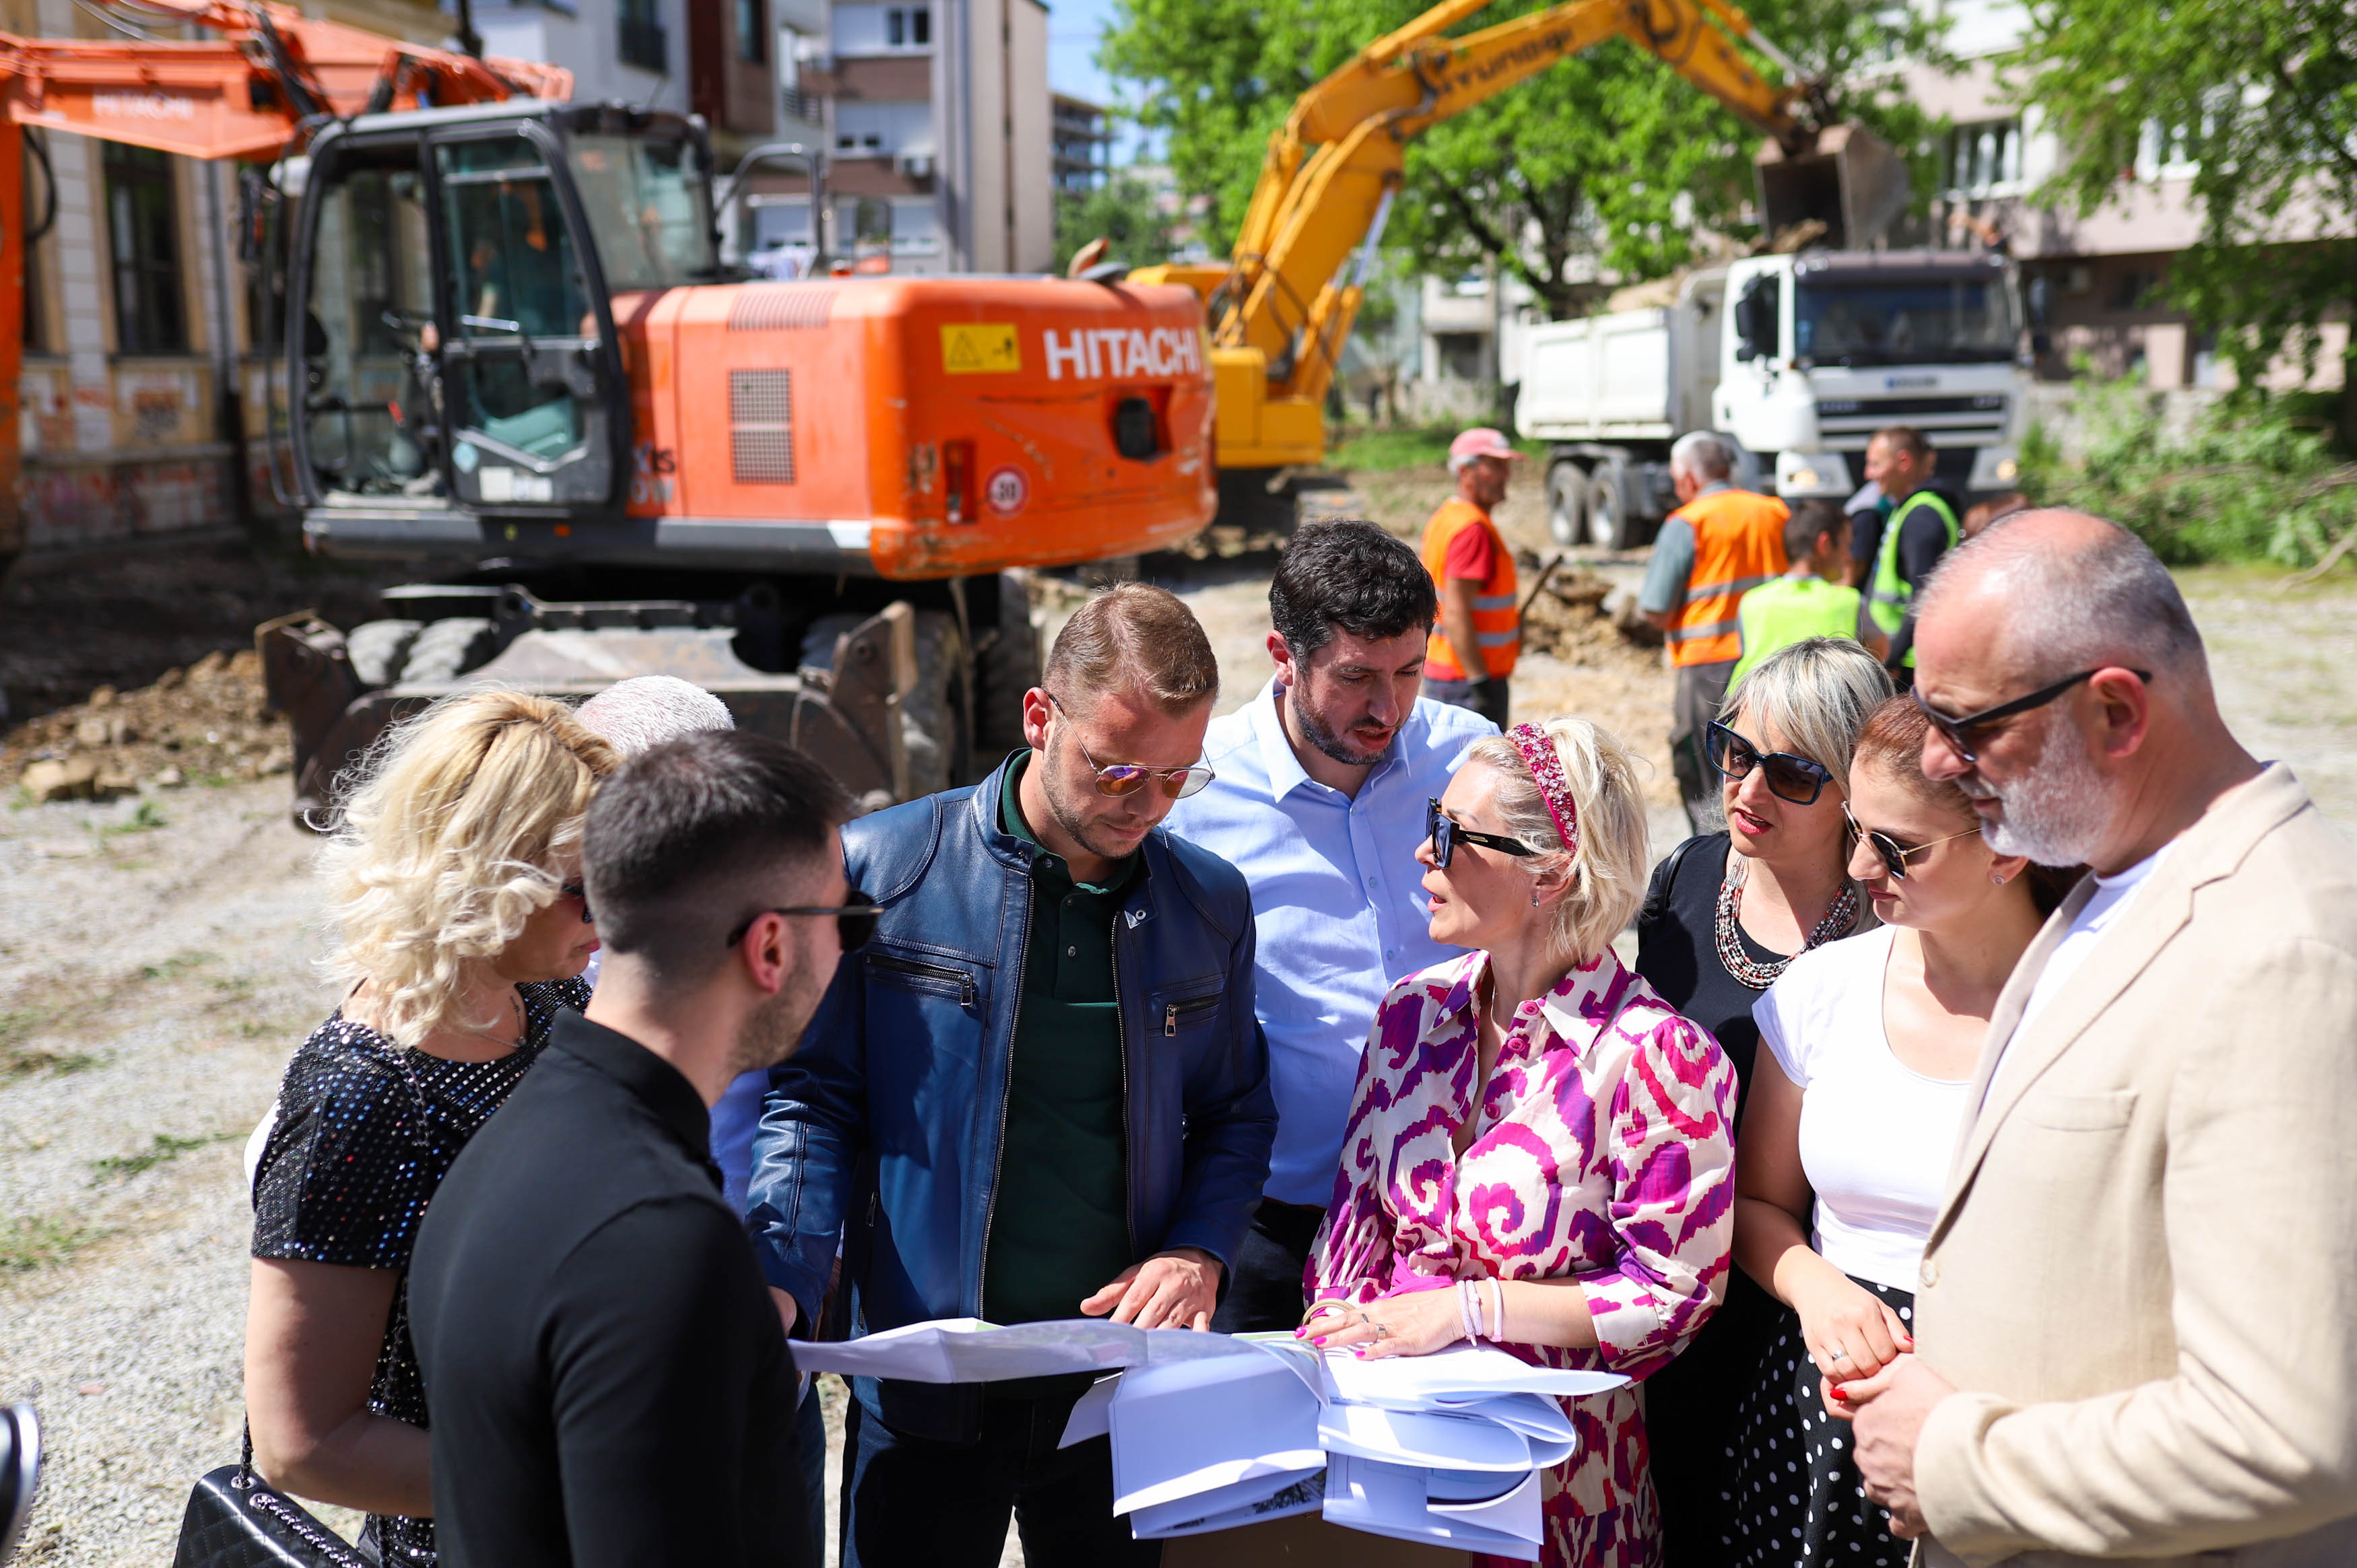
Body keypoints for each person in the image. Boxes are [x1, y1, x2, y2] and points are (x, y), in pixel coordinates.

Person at [1836, 510, 2357, 1565]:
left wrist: (1951, 1460)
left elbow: (2287, 1434)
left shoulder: (2280, 953)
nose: (1939, 758)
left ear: (2116, 711)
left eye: (1970, 726)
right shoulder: (2111, 884)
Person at [748, 583, 1277, 1568]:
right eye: (1117, 767)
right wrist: (784, 1275)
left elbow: (1237, 1109)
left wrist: (1199, 1250)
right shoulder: (878, 873)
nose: (1146, 805)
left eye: (1177, 778)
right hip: (923, 1388)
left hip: (1115, 1399)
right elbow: (813, 1100)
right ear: (1040, 716)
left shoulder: (1208, 903)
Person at [411, 731, 856, 1568]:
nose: (848, 952)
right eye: (848, 920)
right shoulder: (659, 1238)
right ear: (769, 948)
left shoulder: (521, 1134)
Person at [1302, 717, 1737, 1567]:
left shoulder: (1654, 1057)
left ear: (1551, 871)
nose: (1422, 855)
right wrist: (1339, 1333)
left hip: (1557, 1496)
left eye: (1448, 834)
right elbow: (1348, 1235)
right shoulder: (1408, 1016)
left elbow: (1675, 1295)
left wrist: (1470, 1310)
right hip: (1389, 1472)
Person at [244, 690, 618, 1568]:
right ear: (484, 874)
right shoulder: (361, 1097)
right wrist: (582, 1471)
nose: (610, 911)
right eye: (583, 885)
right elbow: (301, 1439)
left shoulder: (552, 1003)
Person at [1728, 695, 2071, 1567]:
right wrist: (1818, 1288)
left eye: (1898, 847)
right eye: (1856, 830)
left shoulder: (2085, 1003)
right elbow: (1758, 1202)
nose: (1858, 864)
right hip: (1826, 1405)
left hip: (2007, 1419)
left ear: (2009, 846)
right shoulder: (1823, 989)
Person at [1162, 520, 1496, 1332]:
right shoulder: (1195, 794)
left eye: (1410, 672)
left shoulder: (1473, 762)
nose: (1388, 708)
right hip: (1267, 1222)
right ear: (1283, 655)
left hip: (1453, 1222)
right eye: (1355, 678)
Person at [1632, 636, 1892, 1567]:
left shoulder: (1890, 928)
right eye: (1734, 753)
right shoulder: (1686, 876)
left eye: (1791, 773)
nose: (1747, 790)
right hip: (1663, 1293)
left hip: (1799, 1311)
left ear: (1857, 790)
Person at [572, 675, 829, 1568]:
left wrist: (780, 1280)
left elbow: (815, 1108)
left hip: (757, 1330)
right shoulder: (541, 953)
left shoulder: (782, 937)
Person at [1638, 430, 1791, 832]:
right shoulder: (1773, 511)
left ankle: (1716, 847)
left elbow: (1655, 607)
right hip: (1774, 653)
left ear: (1689, 478)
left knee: (1708, 762)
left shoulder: (1687, 522)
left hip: (1707, 664)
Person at [1419, 427, 1521, 728]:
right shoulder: (1472, 530)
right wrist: (1481, 683)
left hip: (1448, 673)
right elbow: (1457, 612)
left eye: (1507, 466)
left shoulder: (1447, 518)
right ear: (1466, 470)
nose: (1506, 475)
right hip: (1466, 680)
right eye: (1496, 466)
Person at [1729, 500, 1882, 687]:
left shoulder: (1750, 602)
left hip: (1754, 710)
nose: (1849, 557)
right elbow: (1881, 655)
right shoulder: (1850, 602)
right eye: (1846, 545)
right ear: (1824, 544)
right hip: (1827, 714)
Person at [1860, 425, 1960, 682]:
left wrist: (1892, 657)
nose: (1868, 473)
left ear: (1903, 461)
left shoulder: (1922, 516)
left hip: (1910, 664)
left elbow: (1925, 594)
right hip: (1903, 657)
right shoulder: (1907, 508)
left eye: (1875, 464)